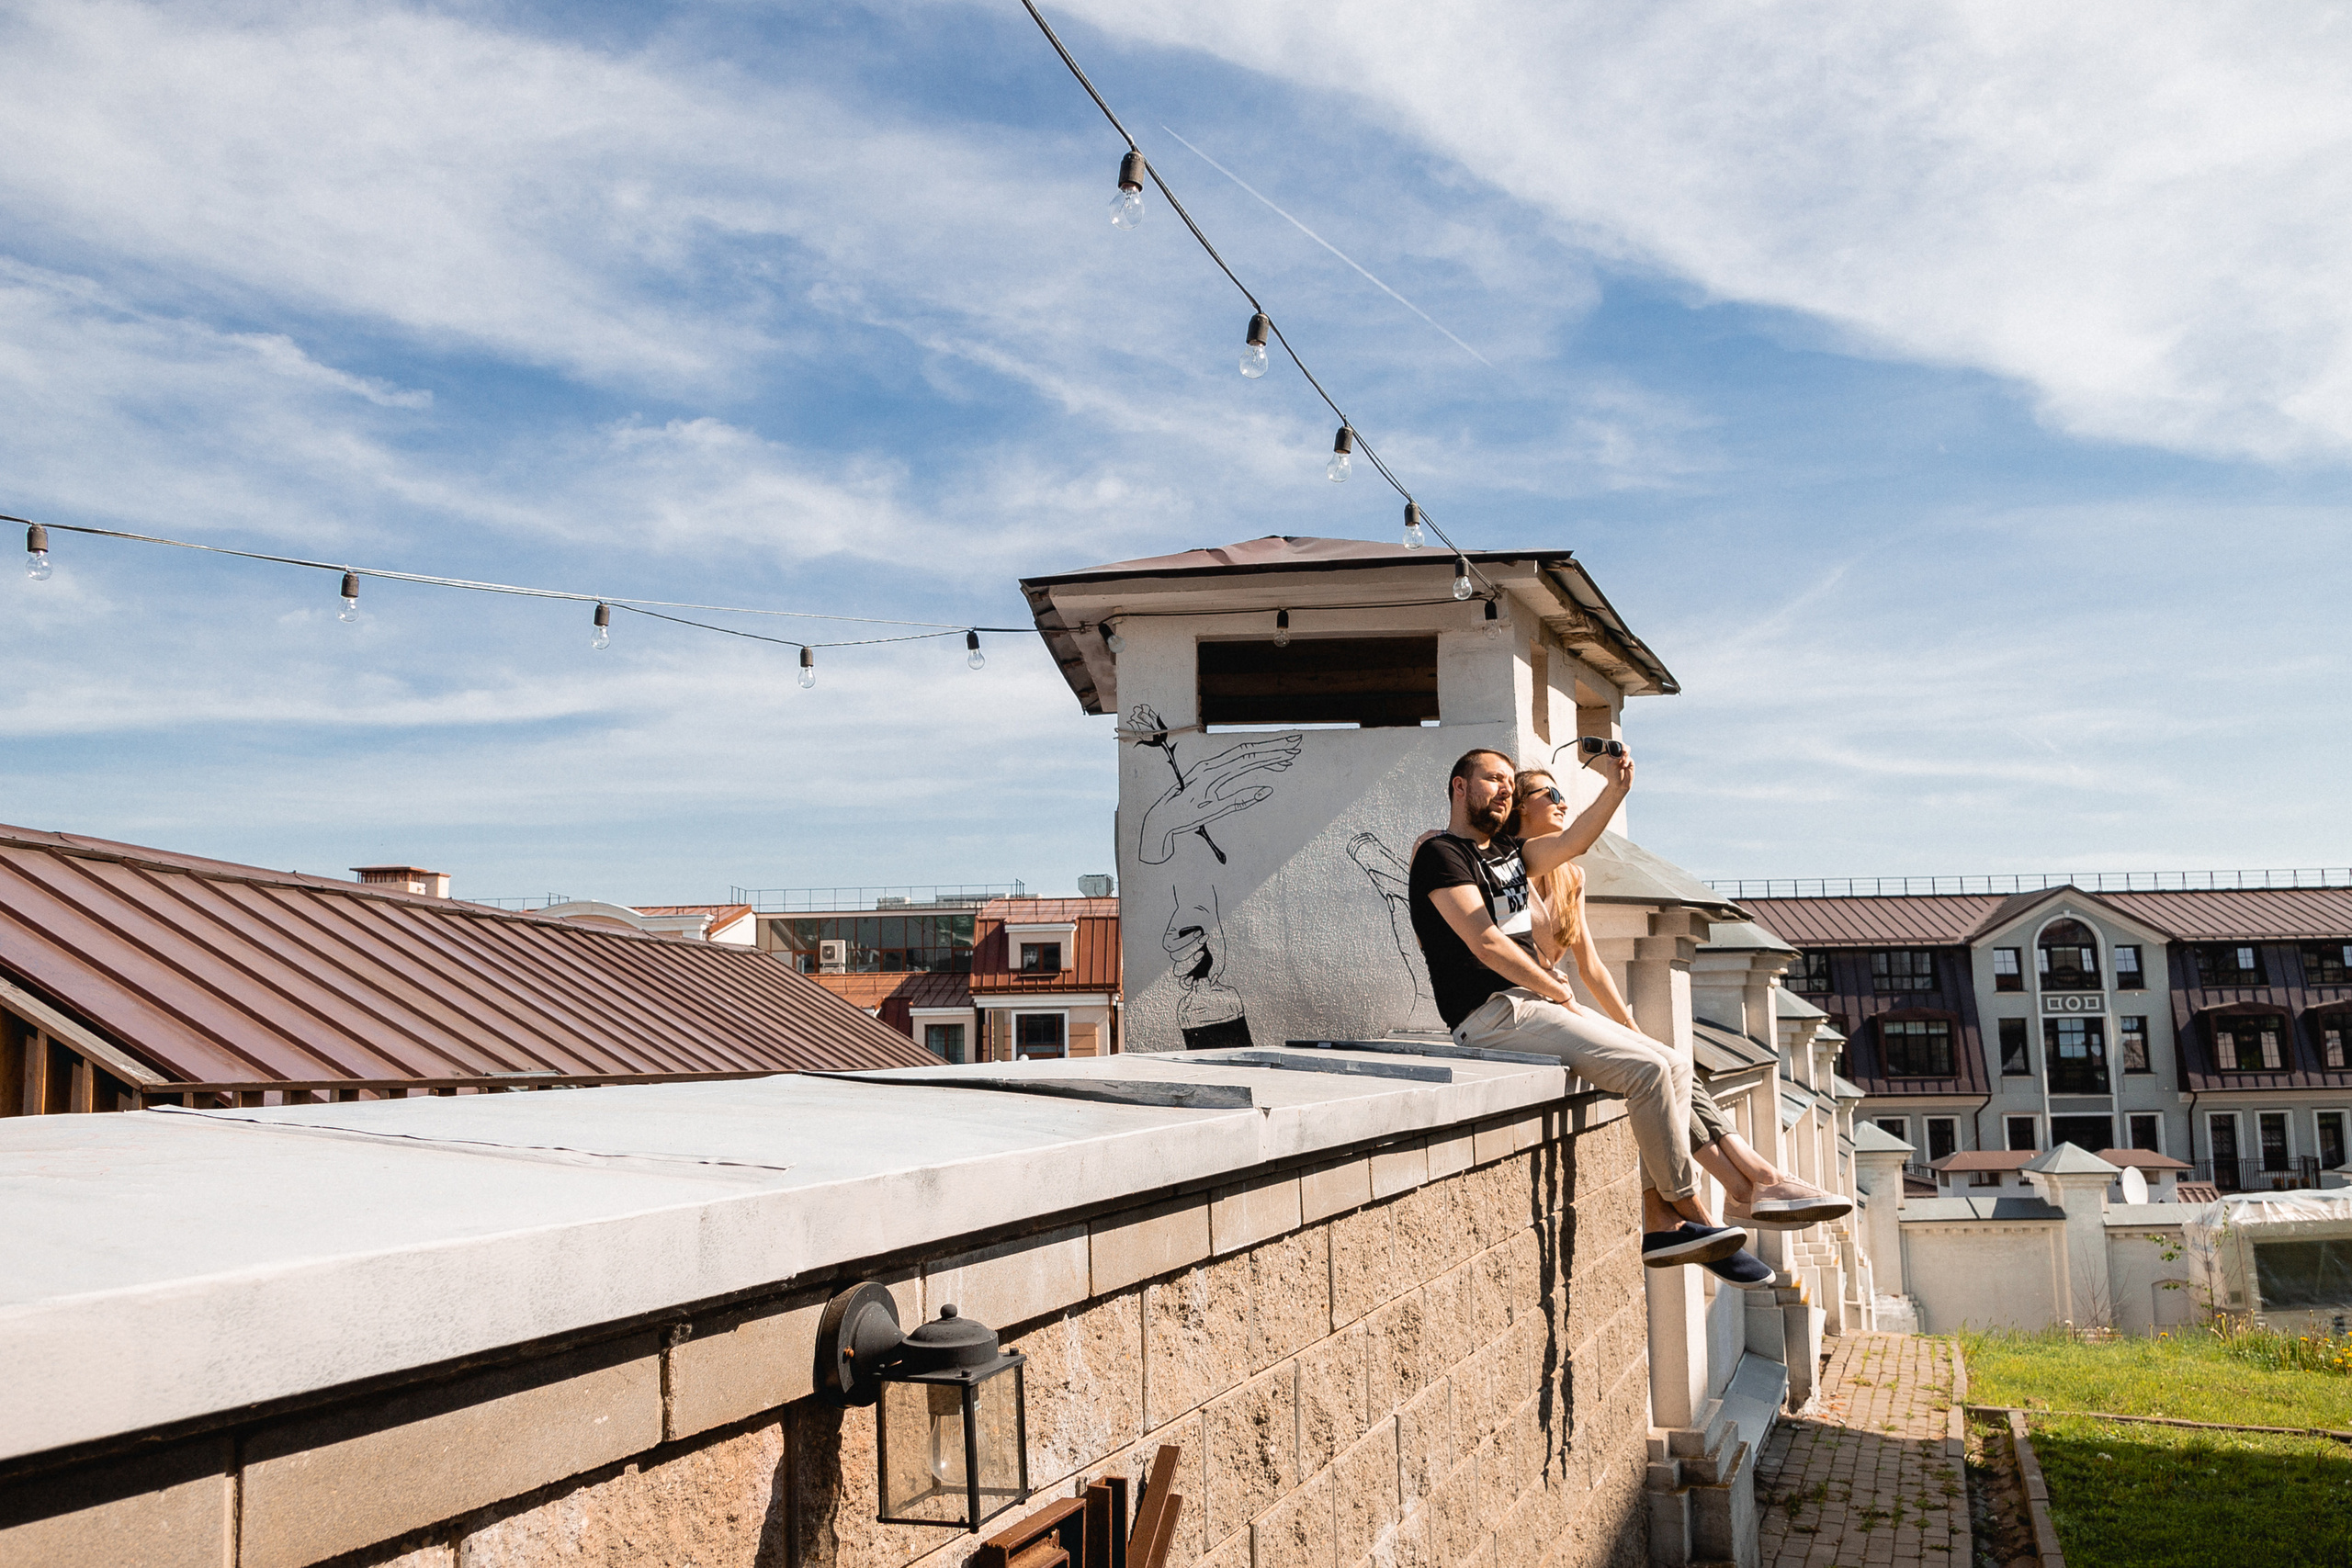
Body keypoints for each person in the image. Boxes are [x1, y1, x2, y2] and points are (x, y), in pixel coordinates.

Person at [1405, 747, 1791, 1277]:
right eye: (1491, 780)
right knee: (1647, 1071)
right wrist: (1555, 988)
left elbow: (1573, 842)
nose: (1503, 790)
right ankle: (1693, 1212)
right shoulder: (1442, 855)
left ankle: (1660, 1219)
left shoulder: (1510, 854)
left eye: (1509, 785)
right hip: (1492, 1015)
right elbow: (1486, 942)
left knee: (1674, 1063)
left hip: (1536, 1005)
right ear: (1459, 786)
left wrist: (1616, 788)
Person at [1505, 763, 1851, 1246]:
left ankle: (1752, 1178)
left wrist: (1631, 1027)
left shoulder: (1571, 878)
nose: (1562, 801)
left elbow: (1592, 966)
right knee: (1657, 1072)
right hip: (1533, 1014)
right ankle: (1748, 1183)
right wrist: (1616, 789)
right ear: (1520, 807)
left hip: (1563, 1010)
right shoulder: (1513, 865)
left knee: (1669, 1061)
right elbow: (1568, 857)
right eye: (1550, 793)